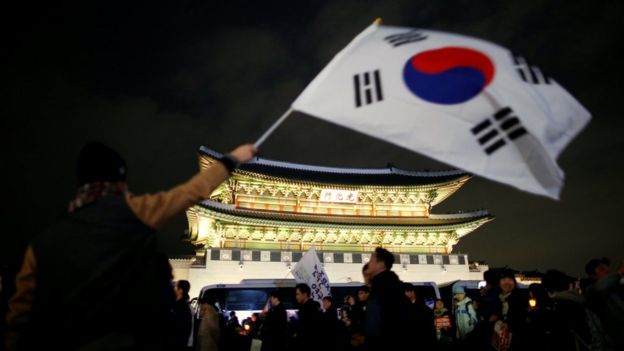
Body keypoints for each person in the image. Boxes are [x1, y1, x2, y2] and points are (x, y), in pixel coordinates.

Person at [4, 141, 256, 351]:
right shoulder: (135, 212)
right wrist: (231, 159)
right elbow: (189, 193)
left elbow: (18, 314)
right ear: (120, 180)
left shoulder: (42, 244)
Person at [363, 247, 410, 350]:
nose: (369, 263)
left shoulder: (386, 289)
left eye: (372, 260)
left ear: (381, 264)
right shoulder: (385, 286)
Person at [290, 283, 322, 351]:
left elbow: (303, 326)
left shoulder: (309, 308)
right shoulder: (307, 306)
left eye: (297, 294)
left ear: (305, 294)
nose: (296, 297)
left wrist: (293, 318)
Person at [172, 279, 194, 350]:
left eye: (175, 286)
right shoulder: (181, 306)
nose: (173, 288)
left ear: (180, 290)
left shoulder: (181, 307)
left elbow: (181, 330)